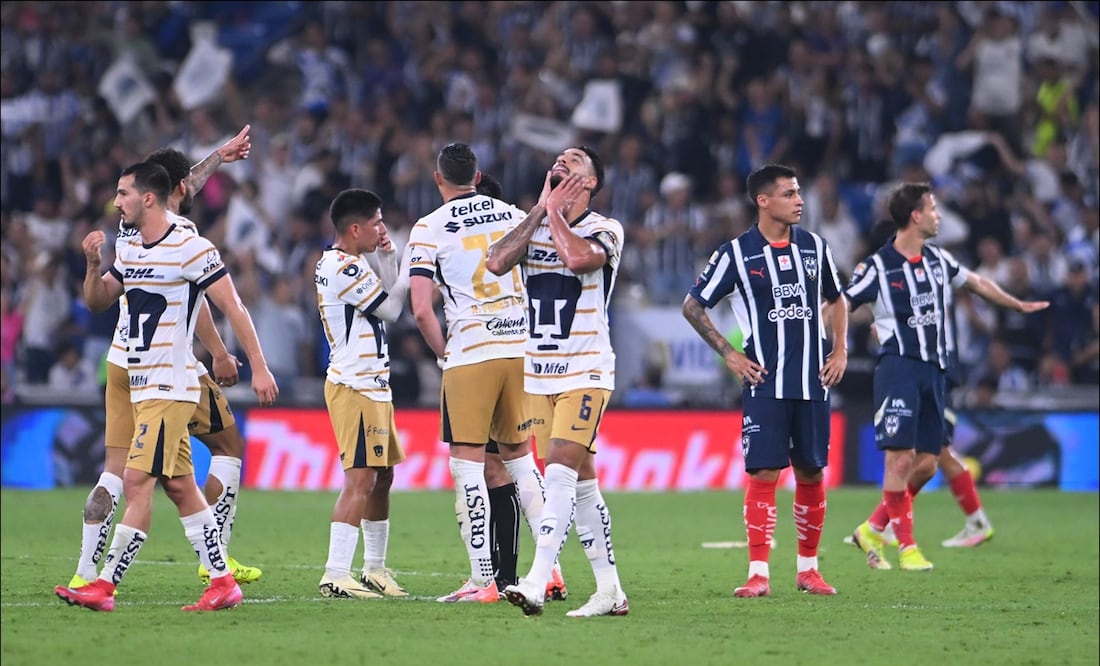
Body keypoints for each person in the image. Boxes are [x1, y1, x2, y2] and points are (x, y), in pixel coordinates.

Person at [56, 160, 279, 612]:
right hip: (139, 382)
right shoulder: (132, 245)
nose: (116, 202)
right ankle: (221, 582)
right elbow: (99, 301)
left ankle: (103, 585)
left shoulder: (192, 248)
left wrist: (258, 366)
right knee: (179, 487)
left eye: (123, 193)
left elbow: (233, 305)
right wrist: (92, 265)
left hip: (171, 384)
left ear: (149, 198)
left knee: (136, 480)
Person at [844, 182, 1048, 571]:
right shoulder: (877, 267)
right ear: (915, 216)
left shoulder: (939, 260)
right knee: (900, 459)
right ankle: (907, 548)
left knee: (928, 463)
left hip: (936, 371)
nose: (939, 215)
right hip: (899, 368)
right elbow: (841, 303)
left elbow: (978, 283)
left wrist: (1015, 305)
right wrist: (831, 344)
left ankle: (873, 528)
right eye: (933, 209)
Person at [681, 163, 849, 598]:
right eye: (790, 193)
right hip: (765, 382)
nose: (800, 200)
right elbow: (693, 306)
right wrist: (730, 354)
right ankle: (758, 573)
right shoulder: (735, 254)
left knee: (811, 473)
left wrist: (841, 348)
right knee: (764, 472)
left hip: (813, 382)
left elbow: (836, 298)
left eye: (799, 192)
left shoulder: (815, 247)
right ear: (763, 200)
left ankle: (808, 570)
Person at [405, 146, 556, 603]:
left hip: (471, 351)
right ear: (478, 175)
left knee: (467, 464)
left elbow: (420, 309)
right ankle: (547, 570)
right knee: (521, 461)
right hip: (518, 347)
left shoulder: (428, 227)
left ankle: (482, 580)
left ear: (438, 178)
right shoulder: (512, 214)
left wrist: (444, 355)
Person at [486, 146, 629, 618]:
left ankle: (536, 578)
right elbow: (496, 261)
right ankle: (610, 591)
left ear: (590, 183)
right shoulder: (536, 224)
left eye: (576, 161)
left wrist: (554, 214)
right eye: (559, 159)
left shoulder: (605, 229)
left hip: (587, 369)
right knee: (583, 482)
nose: (563, 162)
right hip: (540, 374)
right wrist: (539, 210)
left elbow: (578, 261)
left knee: (560, 471)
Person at [315, 188, 410, 599]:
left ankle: (374, 569)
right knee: (361, 479)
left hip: (373, 384)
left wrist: (388, 259)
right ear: (355, 228)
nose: (381, 227)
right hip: (354, 384)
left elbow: (386, 302)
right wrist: (414, 269)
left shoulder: (349, 264)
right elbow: (392, 309)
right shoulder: (343, 269)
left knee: (382, 476)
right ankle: (335, 574)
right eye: (375, 221)